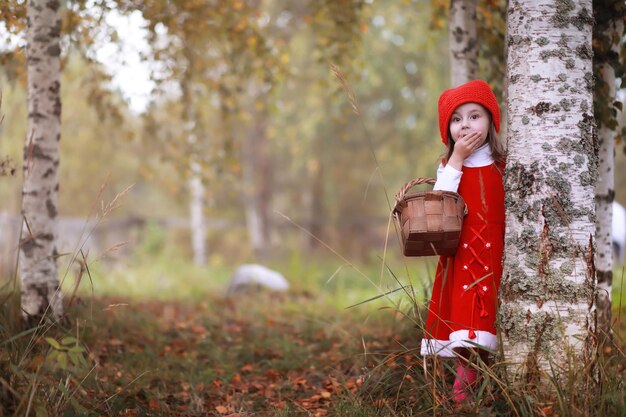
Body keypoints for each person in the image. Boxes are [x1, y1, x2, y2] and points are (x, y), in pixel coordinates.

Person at [420, 80, 506, 404]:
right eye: (457, 119)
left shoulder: (504, 164)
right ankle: (464, 397)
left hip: (498, 257)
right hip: (465, 260)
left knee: (493, 328)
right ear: (448, 130)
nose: (466, 125)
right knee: (466, 330)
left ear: (491, 121)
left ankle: (489, 393)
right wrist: (457, 158)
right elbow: (441, 201)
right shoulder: (449, 166)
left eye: (474, 116)